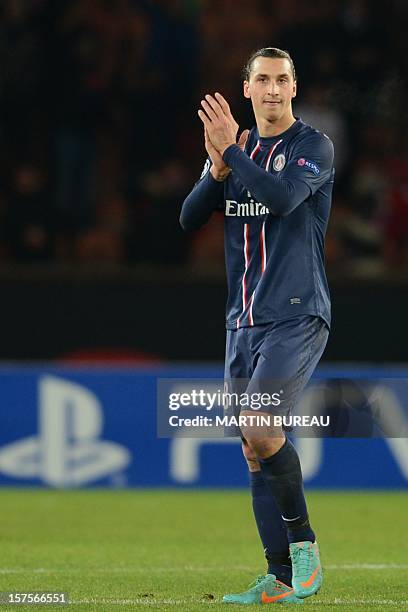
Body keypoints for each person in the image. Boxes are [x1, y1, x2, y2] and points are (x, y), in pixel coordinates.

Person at [180, 47, 334, 605]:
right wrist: (217, 168)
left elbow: (283, 197)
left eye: (283, 80)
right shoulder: (236, 150)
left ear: (294, 88)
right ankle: (280, 576)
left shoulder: (311, 147)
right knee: (253, 445)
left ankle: (305, 548)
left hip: (296, 312)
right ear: (247, 89)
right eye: (263, 80)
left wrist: (230, 154)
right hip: (241, 321)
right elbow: (189, 217)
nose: (273, 89)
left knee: (262, 425)